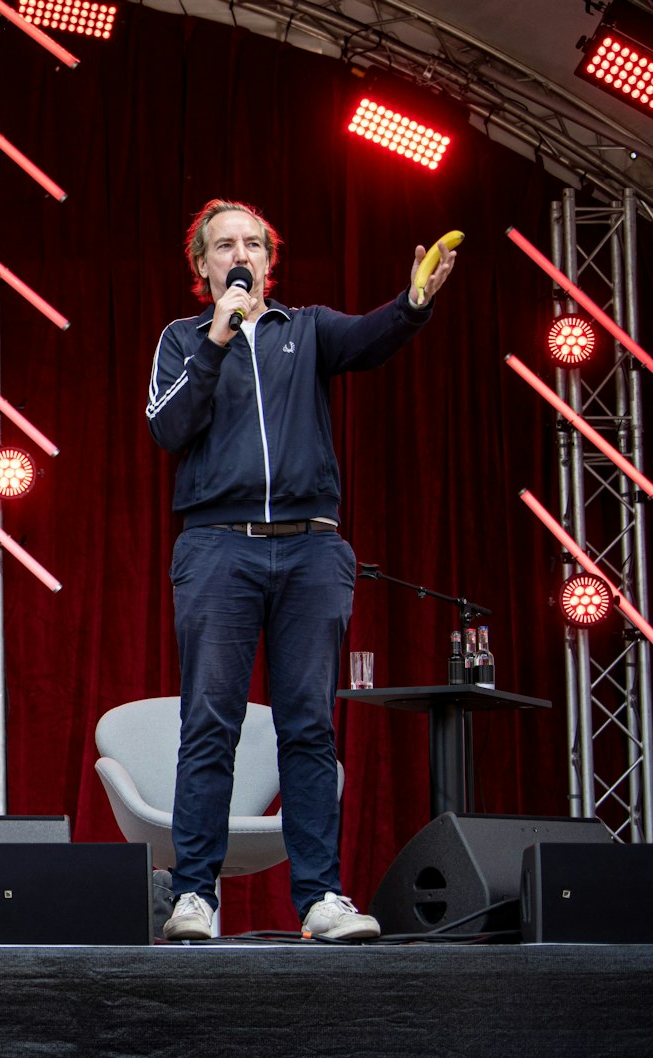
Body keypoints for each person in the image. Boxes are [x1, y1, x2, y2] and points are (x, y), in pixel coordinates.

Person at [143, 200, 455, 941]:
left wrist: (414, 301)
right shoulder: (184, 339)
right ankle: (196, 896)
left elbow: (372, 338)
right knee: (209, 724)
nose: (240, 253)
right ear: (203, 265)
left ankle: (320, 897)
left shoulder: (306, 329)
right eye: (226, 245)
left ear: (269, 260)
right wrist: (217, 339)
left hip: (311, 549)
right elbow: (169, 427)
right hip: (219, 545)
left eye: (253, 242)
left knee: (310, 726)